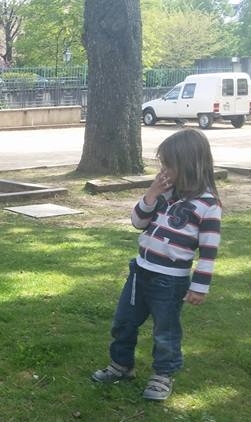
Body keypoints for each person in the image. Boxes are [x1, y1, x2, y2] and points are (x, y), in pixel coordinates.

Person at [91, 129, 222, 401]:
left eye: (168, 164)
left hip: (170, 281)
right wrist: (151, 193)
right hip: (140, 272)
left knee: (166, 331)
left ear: (189, 164)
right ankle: (121, 365)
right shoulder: (165, 194)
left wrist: (199, 286)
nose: (163, 170)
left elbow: (209, 251)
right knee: (124, 321)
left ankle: (163, 375)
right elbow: (138, 222)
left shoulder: (208, 205)